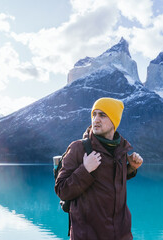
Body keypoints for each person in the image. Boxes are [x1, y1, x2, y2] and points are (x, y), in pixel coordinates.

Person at [55, 97, 143, 240]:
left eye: (102, 115)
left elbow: (108, 180)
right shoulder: (79, 148)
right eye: (94, 114)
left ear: (114, 120)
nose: (96, 119)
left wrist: (131, 168)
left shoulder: (120, 149)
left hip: (121, 234)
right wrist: (85, 170)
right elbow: (62, 190)